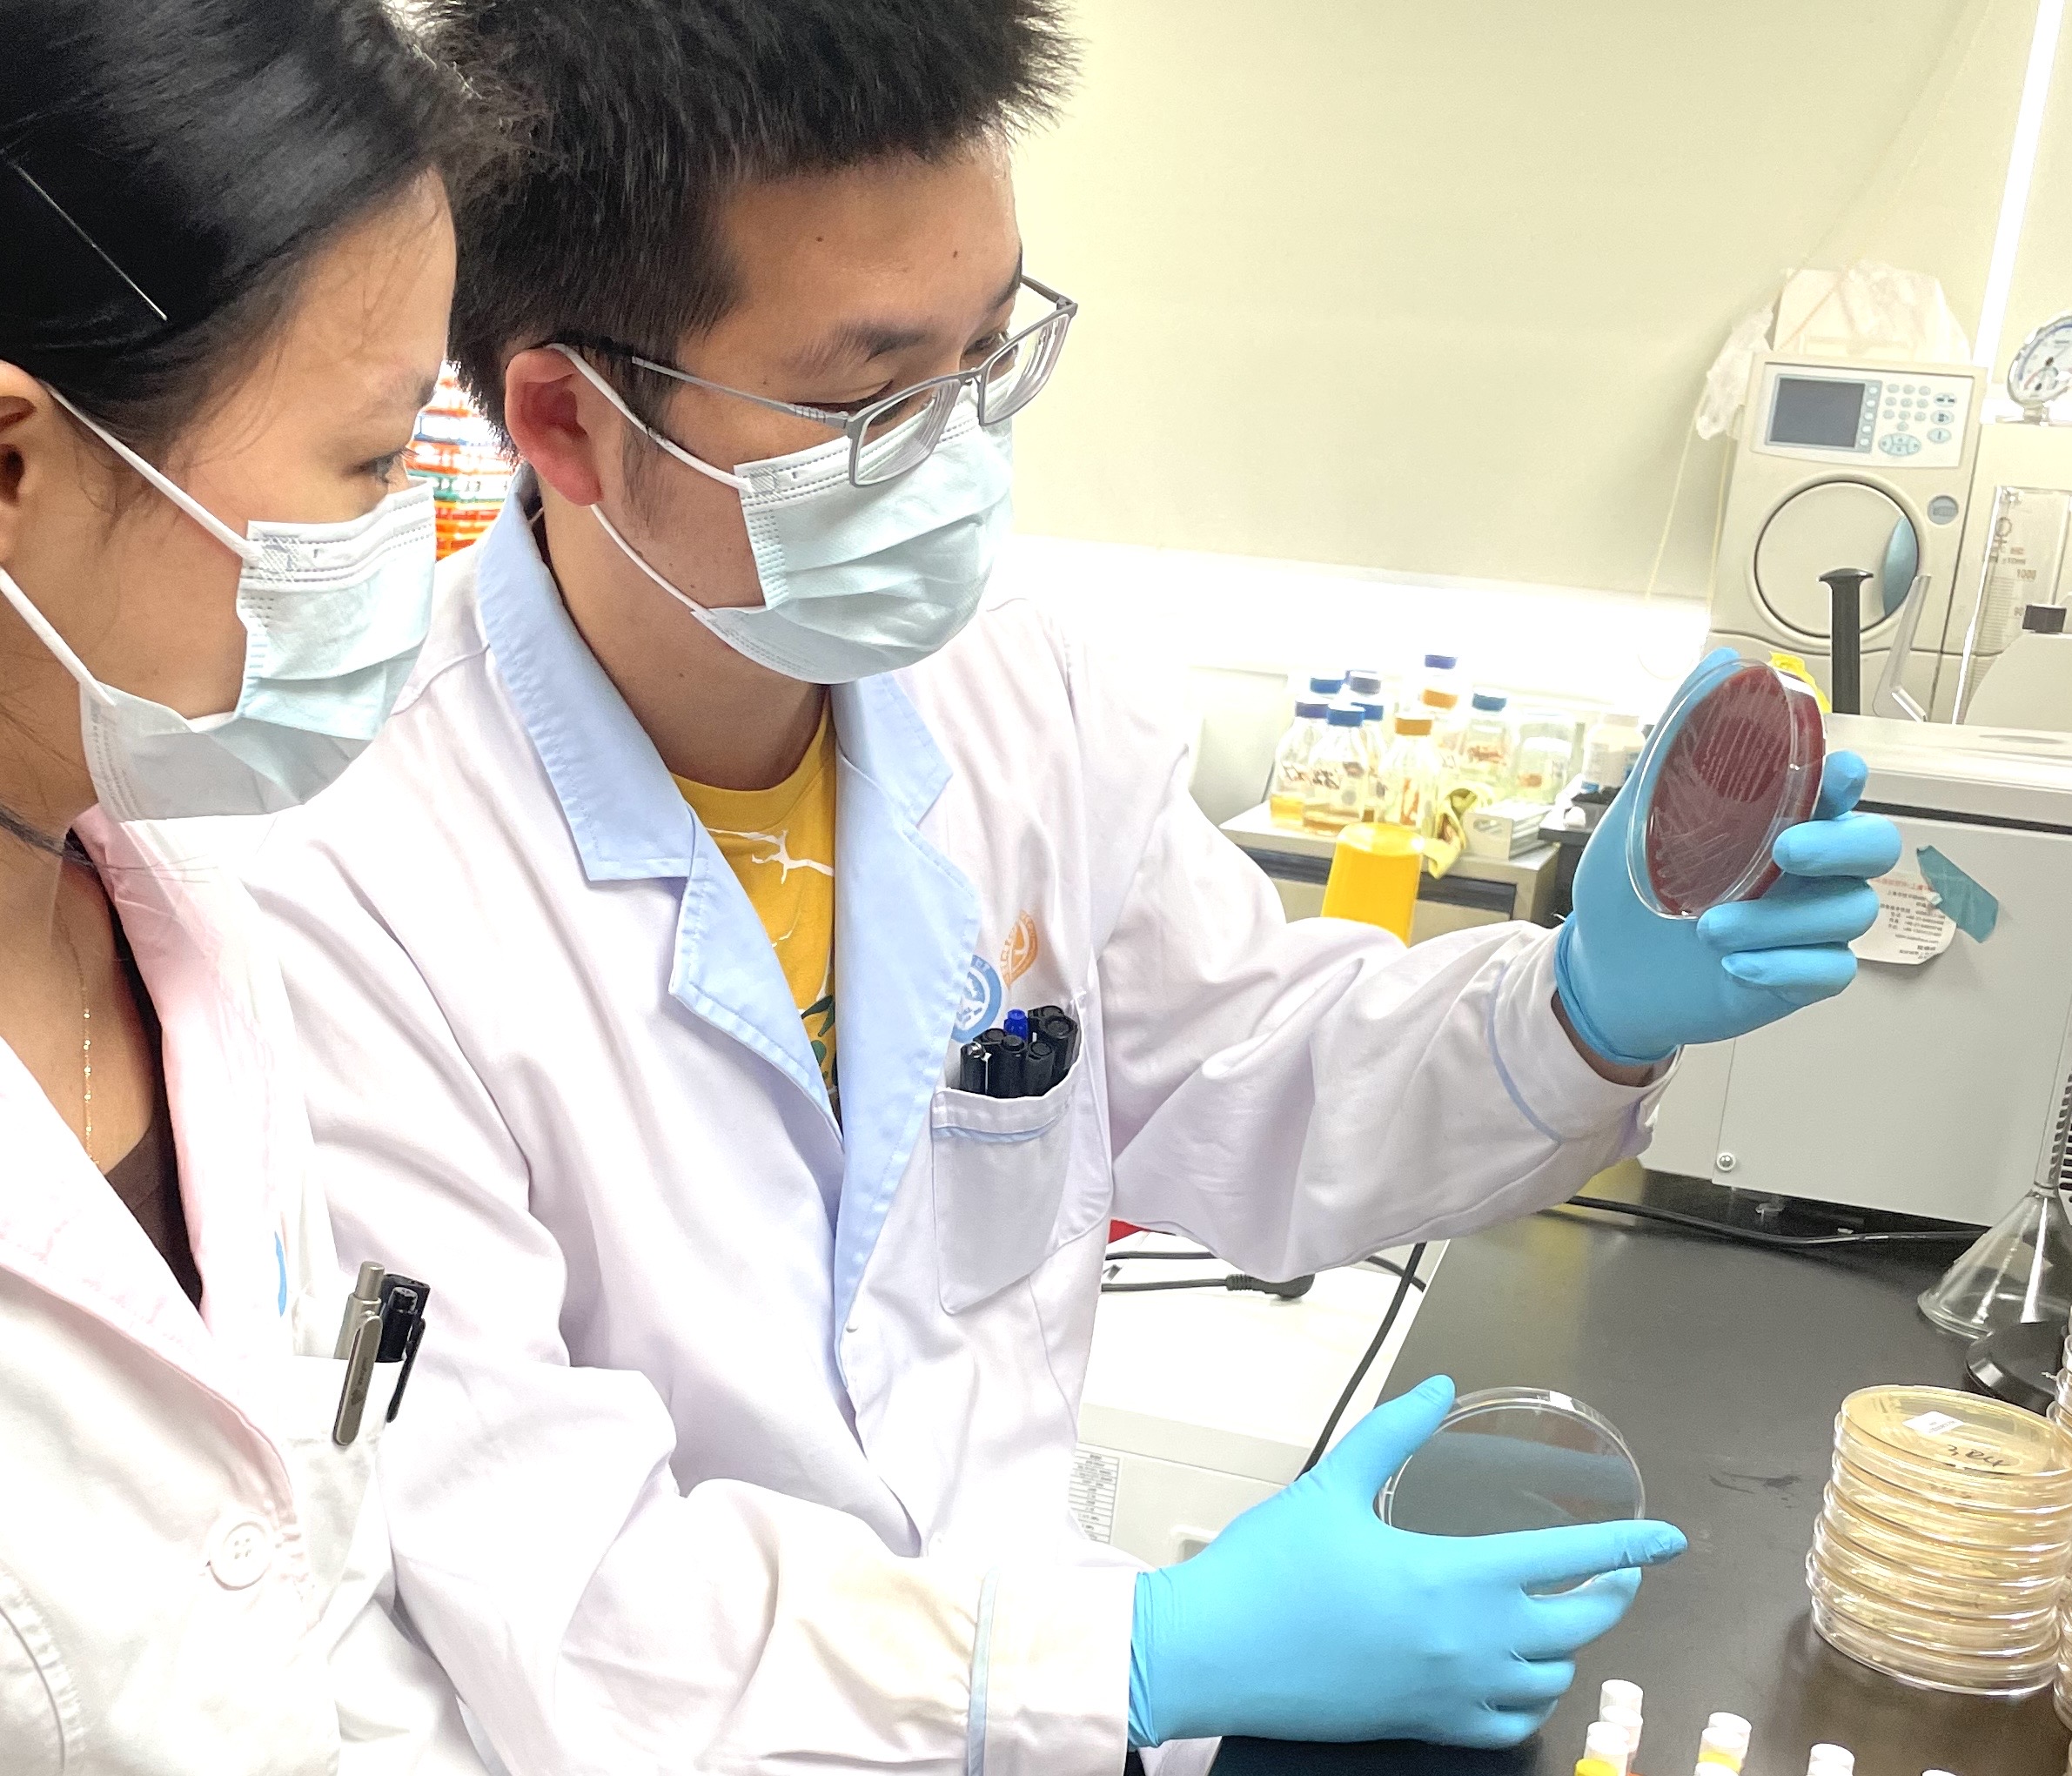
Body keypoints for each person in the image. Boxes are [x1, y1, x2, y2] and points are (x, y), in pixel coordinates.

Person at [238, 3, 1901, 1771]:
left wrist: (1572, 1010)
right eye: (869, 396)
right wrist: (1144, 1651)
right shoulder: (340, 879)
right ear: (565, 424)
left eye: (987, 358)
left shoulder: (1021, 691)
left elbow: (1250, 1077)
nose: (959, 460)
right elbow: (553, 1585)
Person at [0, 3, 493, 1769]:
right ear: (11, 467)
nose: (408, 544)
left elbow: (308, 1600)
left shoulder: (175, 908)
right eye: (365, 468)